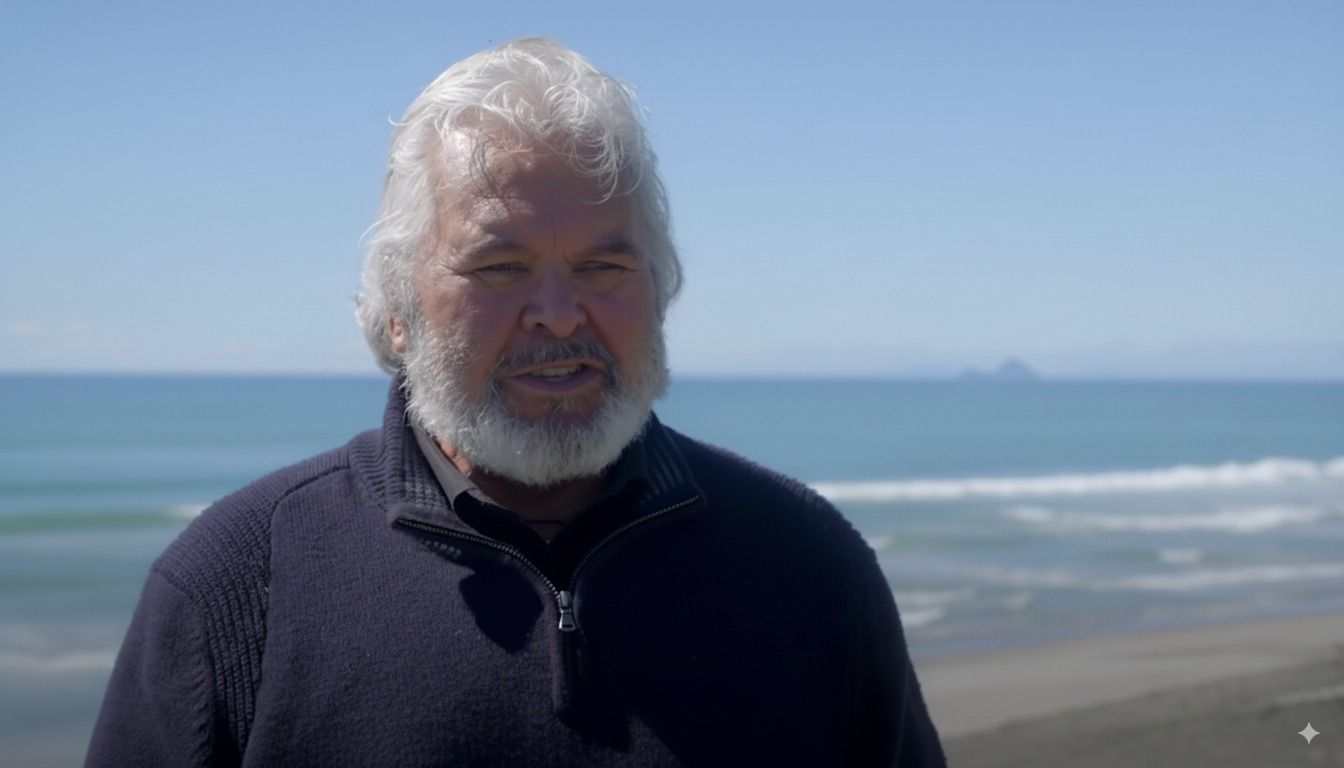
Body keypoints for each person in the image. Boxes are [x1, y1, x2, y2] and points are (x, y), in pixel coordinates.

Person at [86, 38, 945, 766]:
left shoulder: (806, 563)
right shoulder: (239, 589)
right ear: (397, 301)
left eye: (605, 268)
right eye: (499, 268)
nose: (561, 314)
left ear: (662, 286)